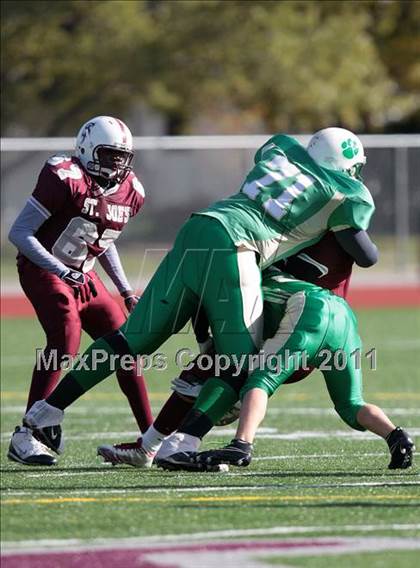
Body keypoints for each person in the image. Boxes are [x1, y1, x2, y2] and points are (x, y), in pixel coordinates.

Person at [21, 127, 377, 460]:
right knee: (240, 361)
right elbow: (365, 254)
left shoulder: (281, 147)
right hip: (236, 245)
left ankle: (48, 409)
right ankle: (184, 442)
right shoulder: (346, 194)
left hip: (201, 225)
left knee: (131, 340)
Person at [96, 230, 354, 467]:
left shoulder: (265, 247)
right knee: (201, 374)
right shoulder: (246, 253)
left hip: (295, 330)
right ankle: (154, 445)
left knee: (225, 371)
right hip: (289, 325)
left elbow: (365, 254)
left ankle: (186, 442)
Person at [7, 116, 153, 466]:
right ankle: (27, 434)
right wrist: (60, 270)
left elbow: (102, 241)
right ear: (87, 150)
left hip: (82, 273)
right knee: (66, 335)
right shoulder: (64, 176)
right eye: (108, 154)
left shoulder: (131, 191)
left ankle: (150, 441)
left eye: (122, 156)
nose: (116, 164)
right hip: (44, 267)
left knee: (126, 346)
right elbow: (20, 233)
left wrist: (124, 289)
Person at [187, 268, 415, 471]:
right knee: (351, 403)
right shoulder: (268, 274)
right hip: (343, 316)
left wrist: (205, 346)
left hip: (310, 310)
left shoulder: (242, 285)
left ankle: (241, 444)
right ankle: (396, 437)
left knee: (259, 381)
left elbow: (207, 316)